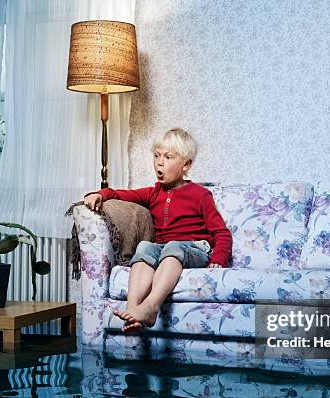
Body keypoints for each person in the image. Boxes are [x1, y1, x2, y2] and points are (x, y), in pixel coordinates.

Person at [83, 128, 232, 332]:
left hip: (195, 249)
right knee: (145, 247)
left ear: (186, 165)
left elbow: (221, 232)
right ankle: (133, 309)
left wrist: (219, 259)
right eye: (156, 155)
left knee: (173, 247)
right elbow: (122, 194)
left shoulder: (200, 195)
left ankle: (152, 306)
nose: (159, 162)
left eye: (168, 157)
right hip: (164, 250)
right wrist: (100, 194)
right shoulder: (154, 193)